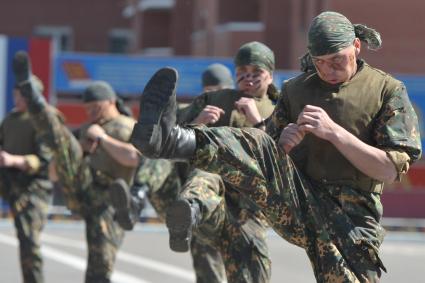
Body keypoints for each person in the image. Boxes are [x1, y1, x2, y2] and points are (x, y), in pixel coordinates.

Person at [130, 11, 422, 283]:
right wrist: (282, 145)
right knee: (258, 141)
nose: (327, 70)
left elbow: (388, 169)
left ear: (356, 46)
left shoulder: (387, 91)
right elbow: (263, 146)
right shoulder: (296, 89)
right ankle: (173, 140)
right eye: (318, 62)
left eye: (336, 60)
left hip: (353, 215)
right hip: (298, 199)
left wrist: (334, 132)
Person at [12, 51, 140, 283]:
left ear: (111, 102)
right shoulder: (85, 129)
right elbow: (53, 172)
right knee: (61, 138)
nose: (91, 113)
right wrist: (80, 148)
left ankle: (36, 101)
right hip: (84, 191)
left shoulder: (127, 126)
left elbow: (134, 158)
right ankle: (36, 101)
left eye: (96, 107)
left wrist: (102, 139)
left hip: (112, 202)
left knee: (98, 270)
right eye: (88, 108)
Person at [111, 62, 236, 283]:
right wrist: (196, 124)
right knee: (161, 154)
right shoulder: (189, 111)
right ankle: (135, 201)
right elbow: (173, 146)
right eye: (208, 91)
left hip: (215, 201)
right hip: (180, 205)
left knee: (209, 270)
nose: (212, 96)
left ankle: (185, 210)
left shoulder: (238, 113)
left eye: (218, 91)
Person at [165, 42, 277, 283]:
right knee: (208, 171)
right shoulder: (215, 99)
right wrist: (199, 121)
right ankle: (187, 214)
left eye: (256, 72)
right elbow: (176, 139)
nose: (248, 78)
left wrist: (257, 121)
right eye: (242, 72)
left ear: (270, 74)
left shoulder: (279, 109)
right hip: (210, 204)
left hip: (249, 209)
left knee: (252, 274)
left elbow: (280, 157)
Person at [0, 77, 53, 283]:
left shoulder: (41, 121)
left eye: (21, 96)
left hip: (33, 186)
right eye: (15, 95)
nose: (17, 99)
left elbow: (43, 159)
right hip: (9, 180)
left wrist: (15, 160)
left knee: (29, 241)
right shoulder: (11, 119)